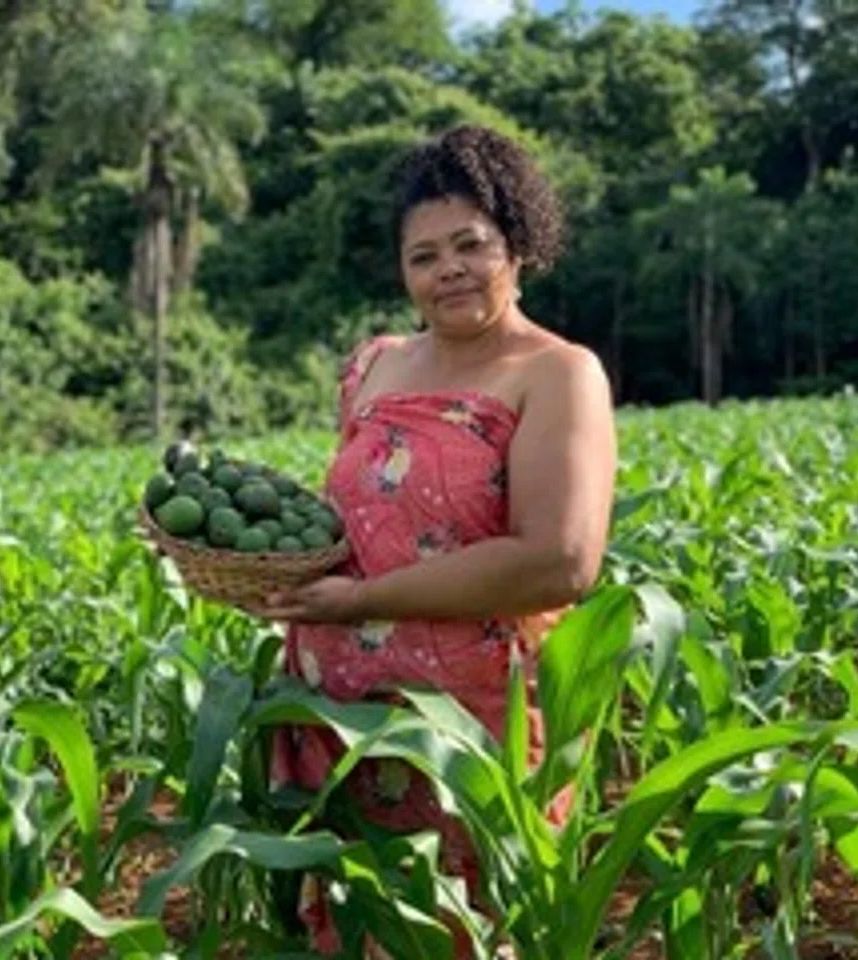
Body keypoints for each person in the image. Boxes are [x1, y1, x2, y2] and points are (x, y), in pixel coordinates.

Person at [258, 123, 617, 957]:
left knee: (464, 926)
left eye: (471, 245)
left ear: (517, 244)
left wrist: (366, 601)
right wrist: (238, 556)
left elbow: (560, 560)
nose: (449, 268)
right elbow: (345, 526)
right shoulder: (372, 365)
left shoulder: (557, 373)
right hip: (340, 722)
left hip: (465, 737)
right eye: (424, 256)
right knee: (358, 922)